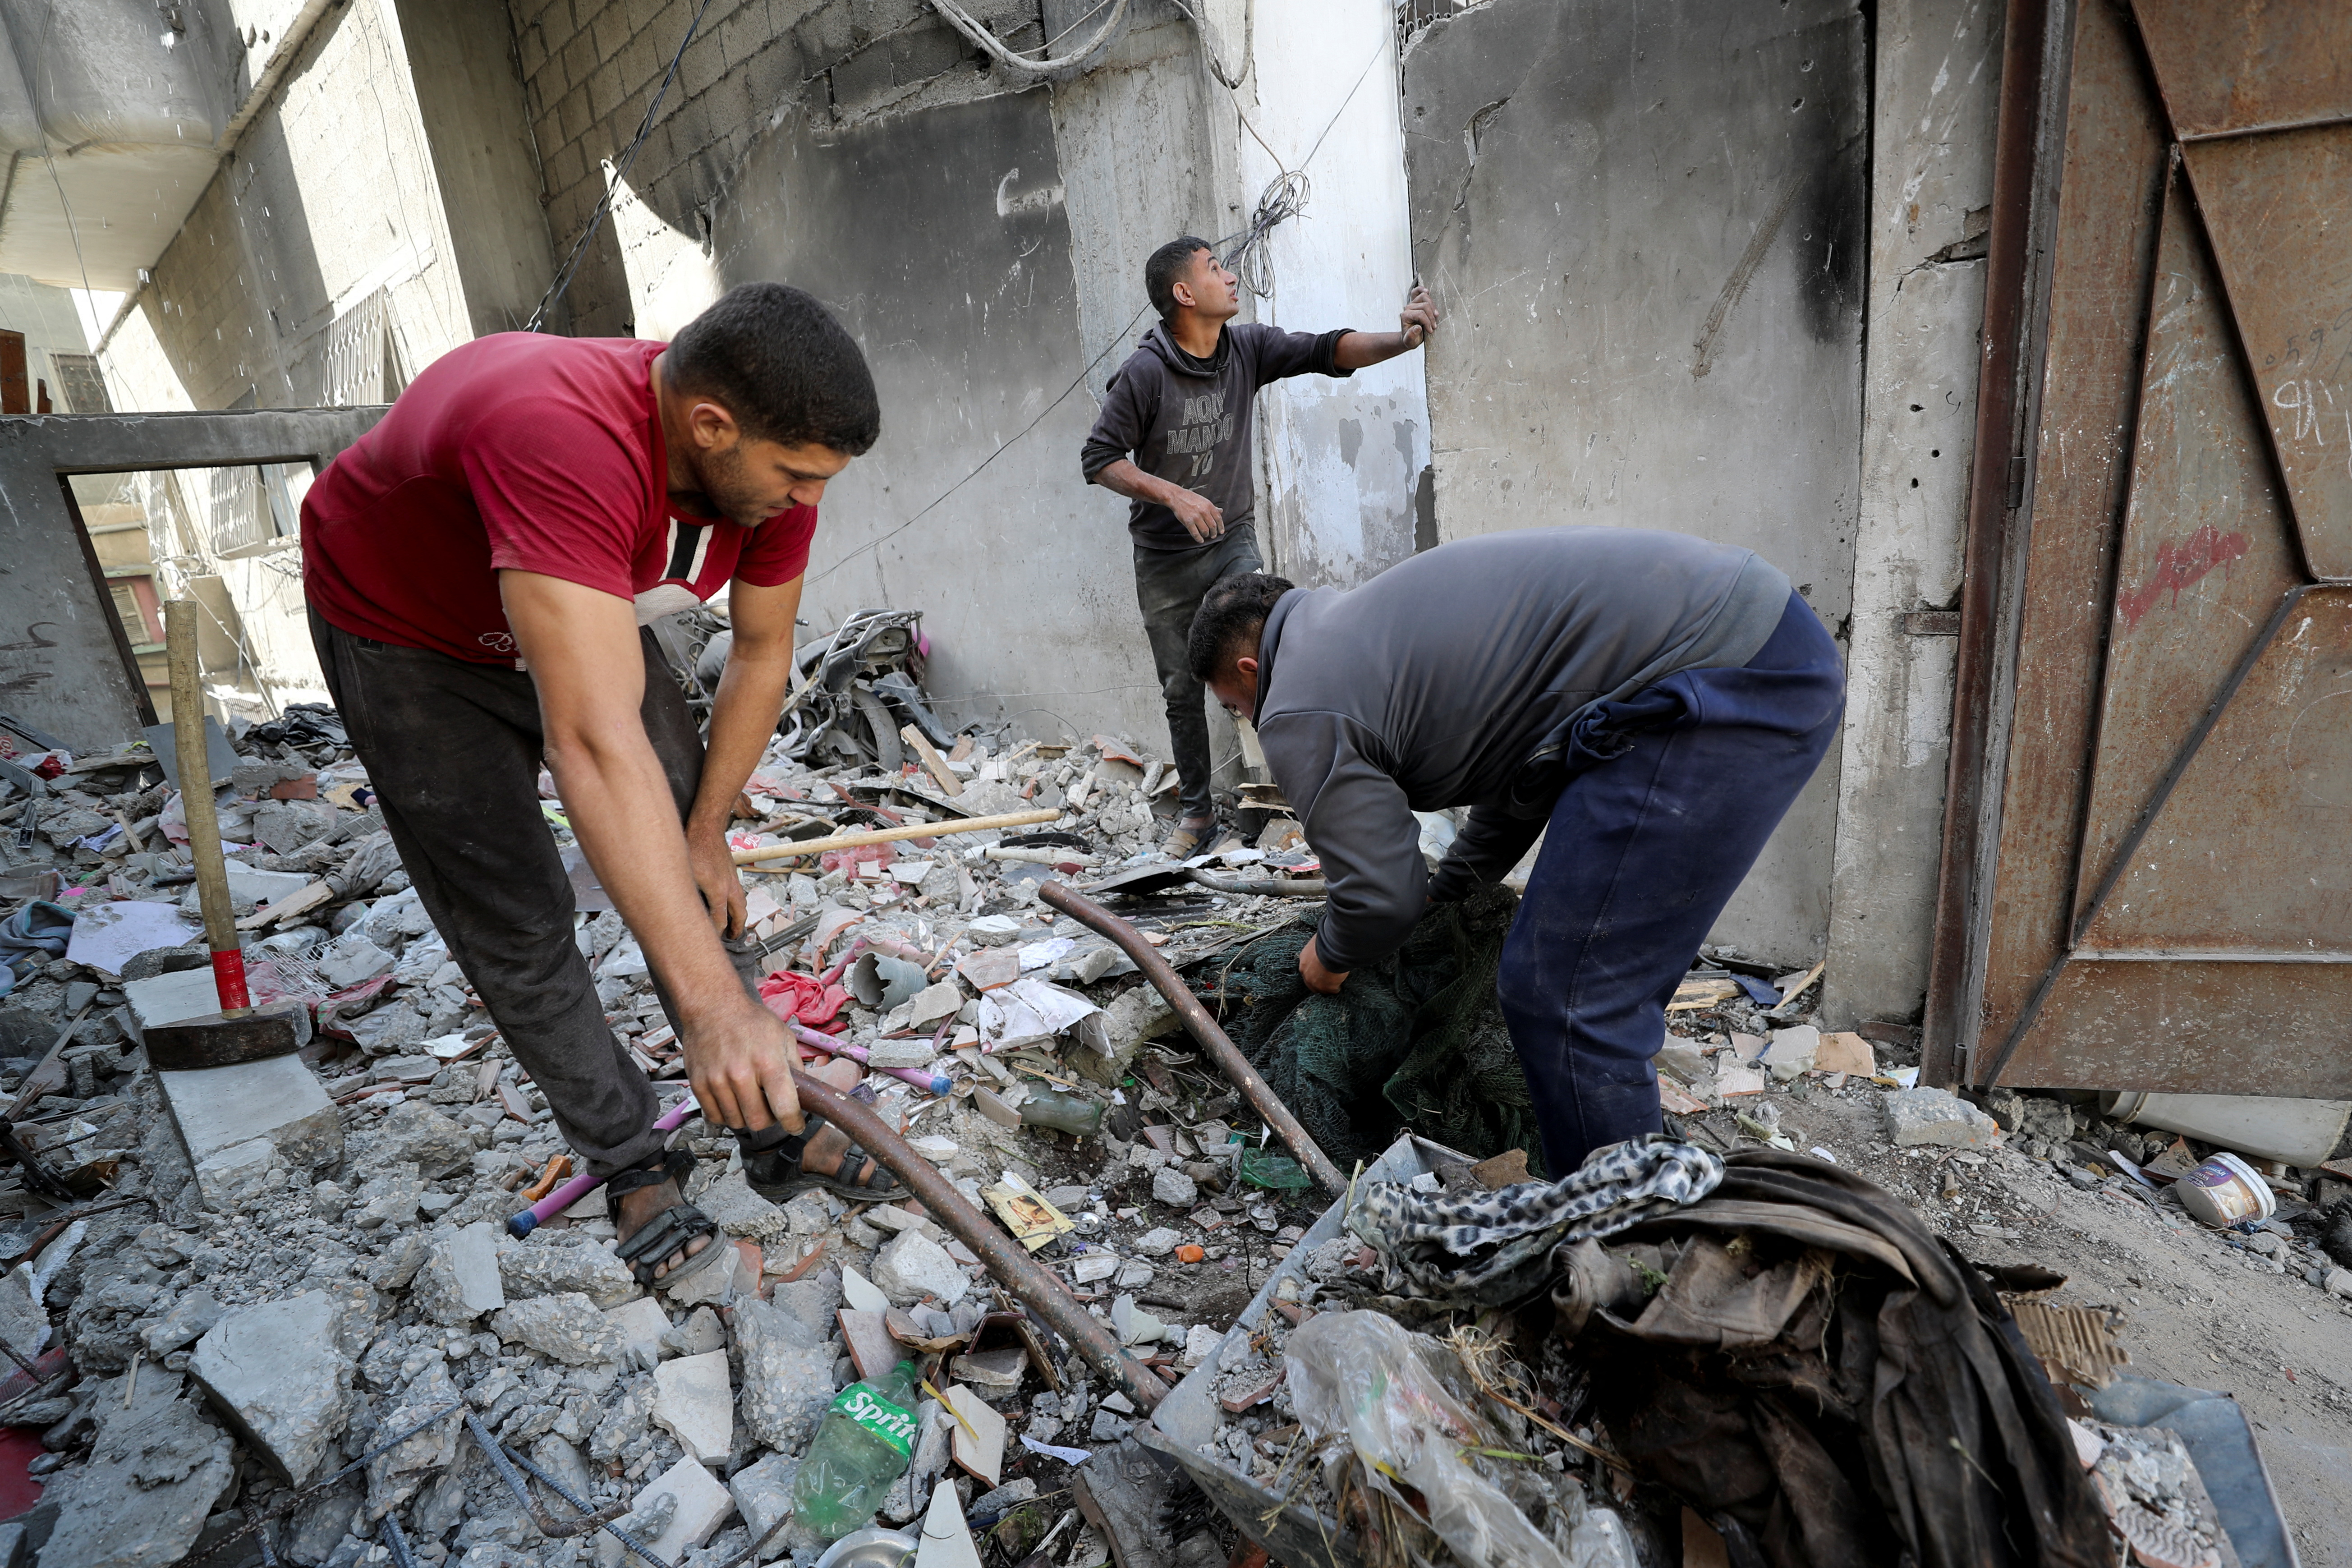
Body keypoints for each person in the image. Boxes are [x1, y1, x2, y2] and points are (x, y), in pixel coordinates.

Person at [300, 282, 906, 1293]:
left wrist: (706, 828)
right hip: (406, 637)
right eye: (797, 477)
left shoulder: (758, 471)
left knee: (682, 844)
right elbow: (589, 735)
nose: (809, 501)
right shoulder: (560, 432)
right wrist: (713, 1007)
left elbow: (760, 653)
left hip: (568, 606)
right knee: (517, 912)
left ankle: (768, 1124)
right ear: (710, 426)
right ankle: (631, 1161)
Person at [1185, 528, 1845, 1175]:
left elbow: (1379, 897)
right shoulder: (1355, 628)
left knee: (1567, 997)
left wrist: (1326, 957)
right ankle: (1611, 1187)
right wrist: (1455, 888)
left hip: (1722, 679)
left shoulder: (1296, 698)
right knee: (1574, 983)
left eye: (1235, 706)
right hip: (1751, 640)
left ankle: (1621, 1249)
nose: (1249, 719)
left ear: (1249, 669)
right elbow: (1525, 769)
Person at [1080, 238, 1438, 857]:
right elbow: (1099, 459)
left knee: (1272, 651)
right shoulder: (1145, 372)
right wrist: (1174, 495)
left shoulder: (1246, 348)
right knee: (1181, 689)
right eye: (1215, 269)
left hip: (1231, 540)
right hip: (1164, 560)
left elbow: (1328, 350)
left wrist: (1400, 339)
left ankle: (1303, 795)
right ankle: (1196, 815)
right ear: (1185, 294)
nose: (1231, 274)